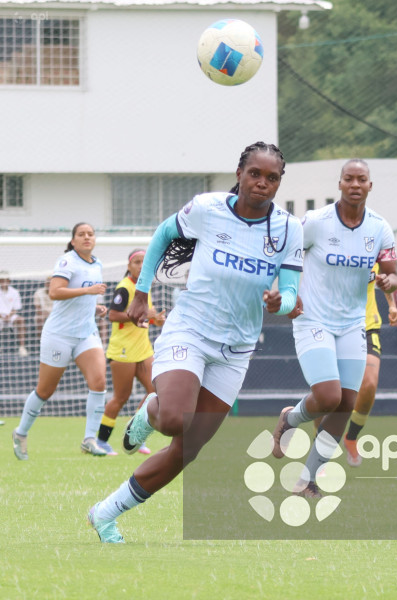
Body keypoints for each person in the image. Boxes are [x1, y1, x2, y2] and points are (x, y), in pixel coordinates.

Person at [87, 141, 303, 543]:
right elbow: (163, 234)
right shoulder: (208, 208)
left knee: (189, 448)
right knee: (174, 420)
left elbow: (289, 291)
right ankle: (153, 412)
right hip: (191, 330)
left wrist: (281, 300)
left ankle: (105, 513)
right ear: (239, 173)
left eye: (271, 178)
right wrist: (141, 292)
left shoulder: (289, 229)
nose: (262, 183)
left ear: (278, 184)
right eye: (255, 173)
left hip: (236, 350)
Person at [272, 158, 397, 498]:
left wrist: (389, 279)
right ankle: (290, 419)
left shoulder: (380, 228)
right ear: (340, 184)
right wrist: (289, 293)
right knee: (328, 396)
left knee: (347, 403)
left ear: (370, 186)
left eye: (362, 179)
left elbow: (392, 270)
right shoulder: (316, 222)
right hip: (313, 318)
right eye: (349, 179)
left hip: (353, 324)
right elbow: (286, 257)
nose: (355, 184)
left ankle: (307, 480)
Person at [12, 223, 109, 460]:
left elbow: (81, 297)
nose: (87, 237)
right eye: (81, 234)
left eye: (90, 234)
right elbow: (55, 292)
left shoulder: (97, 264)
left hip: (86, 333)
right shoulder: (67, 261)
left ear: (94, 239)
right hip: (59, 335)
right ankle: (21, 432)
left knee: (99, 382)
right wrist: (88, 293)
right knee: (46, 390)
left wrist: (94, 307)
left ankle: (89, 439)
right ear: (73, 240)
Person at [95, 249, 167, 456]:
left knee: (156, 390)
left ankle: (135, 434)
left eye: (144, 262)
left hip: (143, 349)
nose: (140, 265)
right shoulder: (124, 287)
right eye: (136, 261)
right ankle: (101, 441)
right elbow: (113, 315)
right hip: (123, 351)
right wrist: (146, 313)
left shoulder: (145, 287)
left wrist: (156, 320)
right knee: (121, 397)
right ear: (128, 266)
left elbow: (143, 318)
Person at [342, 263, 397, 467]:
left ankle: (351, 436)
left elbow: (385, 277)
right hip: (334, 326)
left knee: (369, 384)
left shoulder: (372, 243)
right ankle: (320, 449)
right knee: (328, 394)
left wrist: (392, 304)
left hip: (368, 326)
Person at [0, 270, 28, 356]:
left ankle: (22, 347)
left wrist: (9, 315)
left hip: (10, 316)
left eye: (5, 280)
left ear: (8, 281)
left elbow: (16, 308)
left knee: (21, 320)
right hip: (0, 317)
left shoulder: (15, 292)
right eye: (1, 280)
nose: (3, 282)